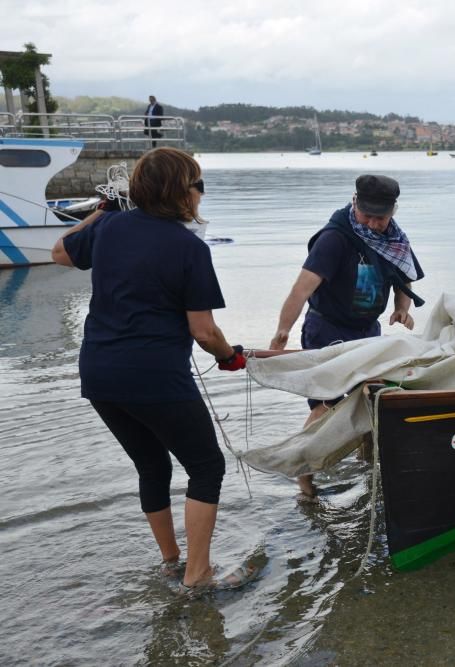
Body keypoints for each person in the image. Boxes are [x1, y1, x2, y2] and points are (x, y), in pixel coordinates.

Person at [51, 147, 253, 593]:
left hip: (100, 374)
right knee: (206, 466)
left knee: (151, 465)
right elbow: (203, 331)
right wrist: (228, 356)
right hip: (154, 374)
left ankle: (170, 562)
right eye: (198, 186)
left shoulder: (110, 226)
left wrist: (100, 213)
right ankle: (198, 576)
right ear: (183, 192)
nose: (200, 195)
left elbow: (60, 253)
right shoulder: (188, 247)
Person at [270, 174, 424, 498]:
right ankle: (304, 473)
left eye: (380, 217)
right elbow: (302, 288)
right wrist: (282, 331)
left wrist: (402, 308)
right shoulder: (335, 238)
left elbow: (403, 278)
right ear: (355, 202)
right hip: (327, 328)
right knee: (328, 402)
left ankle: (366, 467)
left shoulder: (394, 240)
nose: (372, 222)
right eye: (367, 214)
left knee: (372, 398)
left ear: (393, 211)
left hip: (368, 331)